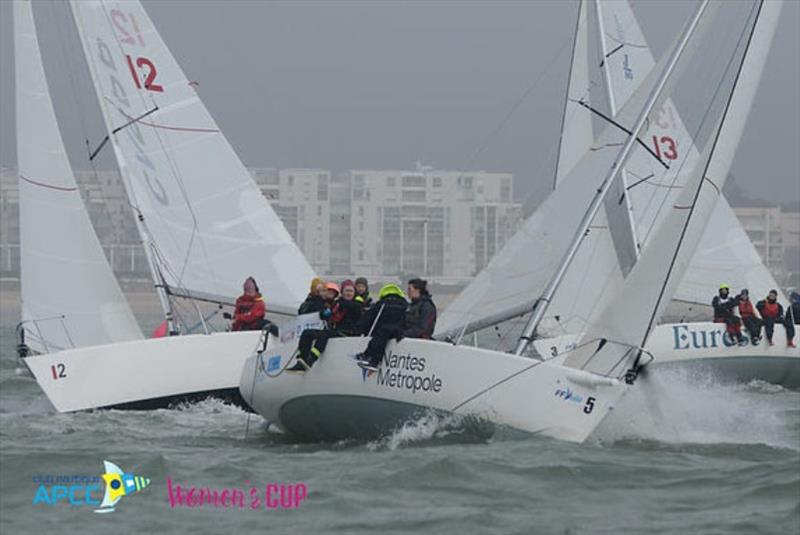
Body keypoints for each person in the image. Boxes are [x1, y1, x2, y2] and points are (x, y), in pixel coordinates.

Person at [287, 280, 363, 372]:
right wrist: (326, 312)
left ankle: (311, 360)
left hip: (348, 332)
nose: (349, 293)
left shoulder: (357, 305)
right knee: (307, 333)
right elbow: (324, 315)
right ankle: (302, 360)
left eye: (351, 291)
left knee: (324, 335)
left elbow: (354, 308)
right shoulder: (336, 303)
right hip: (336, 330)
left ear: (354, 293)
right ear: (342, 292)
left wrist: (339, 305)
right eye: (346, 291)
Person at [355, 283, 408, 371]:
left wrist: (358, 331)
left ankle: (369, 357)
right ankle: (367, 356)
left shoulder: (381, 304)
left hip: (380, 334)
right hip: (399, 334)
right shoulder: (405, 305)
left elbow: (366, 320)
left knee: (382, 333)